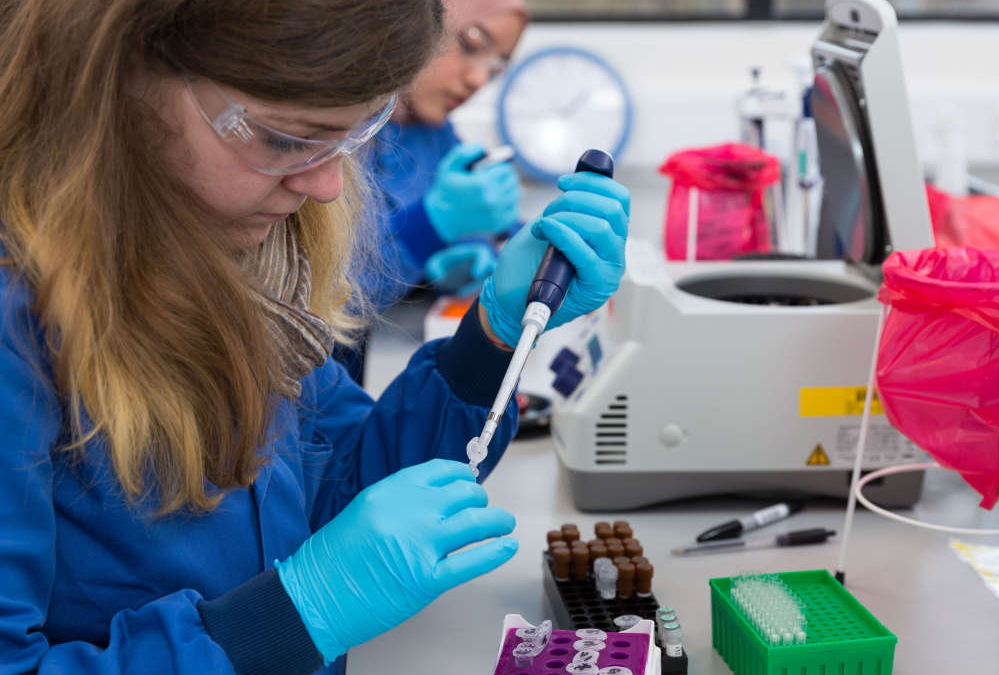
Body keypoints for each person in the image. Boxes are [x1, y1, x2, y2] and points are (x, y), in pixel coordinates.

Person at [0, 2, 630, 675]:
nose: (326, 187)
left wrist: (492, 339)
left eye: (350, 136)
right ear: (122, 82)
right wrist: (290, 615)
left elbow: (345, 489)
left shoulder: (239, 266)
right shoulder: (19, 325)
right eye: (285, 139)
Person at [334, 0, 530, 384]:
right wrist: (429, 227)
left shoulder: (435, 133)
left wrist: (479, 256)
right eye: (473, 43)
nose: (478, 79)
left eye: (497, 66)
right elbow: (323, 297)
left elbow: (489, 232)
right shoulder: (335, 126)